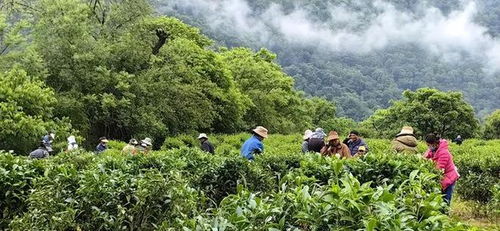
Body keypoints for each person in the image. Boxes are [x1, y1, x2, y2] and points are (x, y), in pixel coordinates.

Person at [424, 133, 460, 205]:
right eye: (427, 145)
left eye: (429, 145)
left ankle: (446, 214)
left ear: (435, 144)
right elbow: (426, 156)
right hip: (443, 177)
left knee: (446, 200)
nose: (429, 147)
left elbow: (438, 169)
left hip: (449, 177)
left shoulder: (444, 153)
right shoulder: (433, 149)